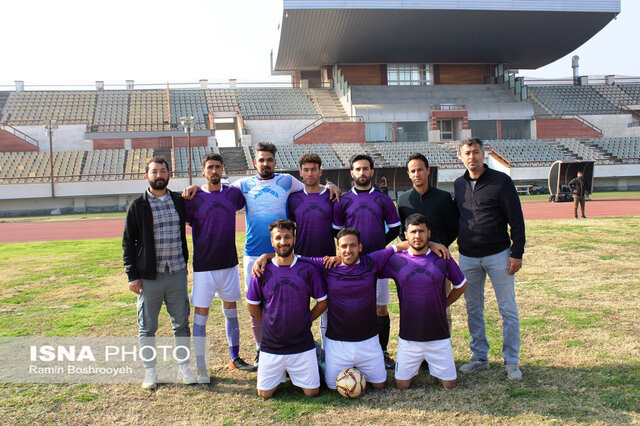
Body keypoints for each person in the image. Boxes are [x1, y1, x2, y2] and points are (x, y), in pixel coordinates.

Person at [182, 142, 339, 366]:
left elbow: (311, 182)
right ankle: (260, 348)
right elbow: (215, 187)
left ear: (275, 162)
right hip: (253, 253)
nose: (265, 163)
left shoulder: (287, 181)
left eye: (269, 160)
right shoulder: (243, 185)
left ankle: (300, 343)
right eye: (261, 160)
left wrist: (331, 184)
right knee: (255, 303)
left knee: (289, 299)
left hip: (282, 253)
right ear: (255, 163)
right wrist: (195, 187)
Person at [454, 137, 526, 380]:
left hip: (499, 255)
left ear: (483, 154)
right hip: (468, 257)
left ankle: (512, 361)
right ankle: (479, 356)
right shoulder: (458, 184)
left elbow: (516, 219)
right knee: (473, 308)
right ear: (460, 156)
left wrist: (517, 252)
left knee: (507, 308)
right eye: (467, 153)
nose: (472, 156)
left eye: (476, 152)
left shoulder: (501, 181)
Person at [122, 155, 196, 389]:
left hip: (176, 273)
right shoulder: (138, 205)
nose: (159, 175)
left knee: (181, 323)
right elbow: (128, 243)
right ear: (147, 176)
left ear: (168, 175)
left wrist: (194, 187)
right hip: (149, 276)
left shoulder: (178, 201)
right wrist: (132, 275)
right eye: (154, 172)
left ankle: (184, 367)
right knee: (148, 326)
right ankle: (150, 371)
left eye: (162, 171)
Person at [184, 153, 255, 384]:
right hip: (204, 266)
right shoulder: (193, 198)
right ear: (203, 170)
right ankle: (201, 366)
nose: (214, 171)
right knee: (201, 315)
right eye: (210, 167)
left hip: (229, 264)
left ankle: (234, 357)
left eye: (218, 167)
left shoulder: (232, 194)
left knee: (231, 310)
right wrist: (187, 190)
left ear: (223, 169)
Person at [379, 214, 467, 390]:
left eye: (421, 231)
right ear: (405, 234)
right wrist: (395, 247)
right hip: (408, 338)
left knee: (449, 385)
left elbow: (461, 285)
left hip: (438, 337)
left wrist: (444, 304)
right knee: (401, 385)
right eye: (413, 232)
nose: (417, 236)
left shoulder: (442, 258)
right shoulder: (397, 260)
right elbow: (369, 262)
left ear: (429, 233)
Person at [332, 154, 402, 369]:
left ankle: (381, 351)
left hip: (377, 263)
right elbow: (336, 231)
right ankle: (355, 350)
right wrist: (350, 252)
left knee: (380, 308)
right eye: (357, 169)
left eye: (365, 169)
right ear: (351, 173)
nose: (361, 172)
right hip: (352, 265)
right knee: (355, 306)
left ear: (372, 172)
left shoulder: (383, 199)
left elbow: (396, 228)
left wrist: (379, 246)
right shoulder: (343, 200)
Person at [246, 219, 327, 399]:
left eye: (287, 237)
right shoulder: (261, 270)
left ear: (294, 239)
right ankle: (283, 371)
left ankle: (314, 353)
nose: (283, 242)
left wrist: (307, 319)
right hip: (271, 346)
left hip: (301, 344)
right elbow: (252, 305)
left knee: (312, 392)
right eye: (278, 238)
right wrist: (269, 321)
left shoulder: (308, 269)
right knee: (264, 394)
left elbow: (322, 302)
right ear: (272, 242)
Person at [397, 152, 459, 330]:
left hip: (439, 260)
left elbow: (453, 227)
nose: (417, 174)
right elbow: (403, 232)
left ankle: (442, 348)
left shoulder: (443, 198)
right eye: (413, 171)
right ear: (408, 174)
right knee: (415, 305)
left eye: (420, 170)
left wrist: (439, 246)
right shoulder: (403, 200)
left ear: (428, 171)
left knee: (441, 305)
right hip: (412, 261)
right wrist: (424, 245)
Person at [287, 153, 336, 348]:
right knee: (300, 305)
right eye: (306, 170)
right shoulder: (293, 199)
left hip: (327, 259)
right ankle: (301, 346)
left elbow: (339, 228)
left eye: (314, 169)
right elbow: (288, 227)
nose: (310, 173)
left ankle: (327, 349)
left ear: (320, 171)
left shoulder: (331, 195)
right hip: (302, 259)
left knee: (326, 305)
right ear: (300, 173)